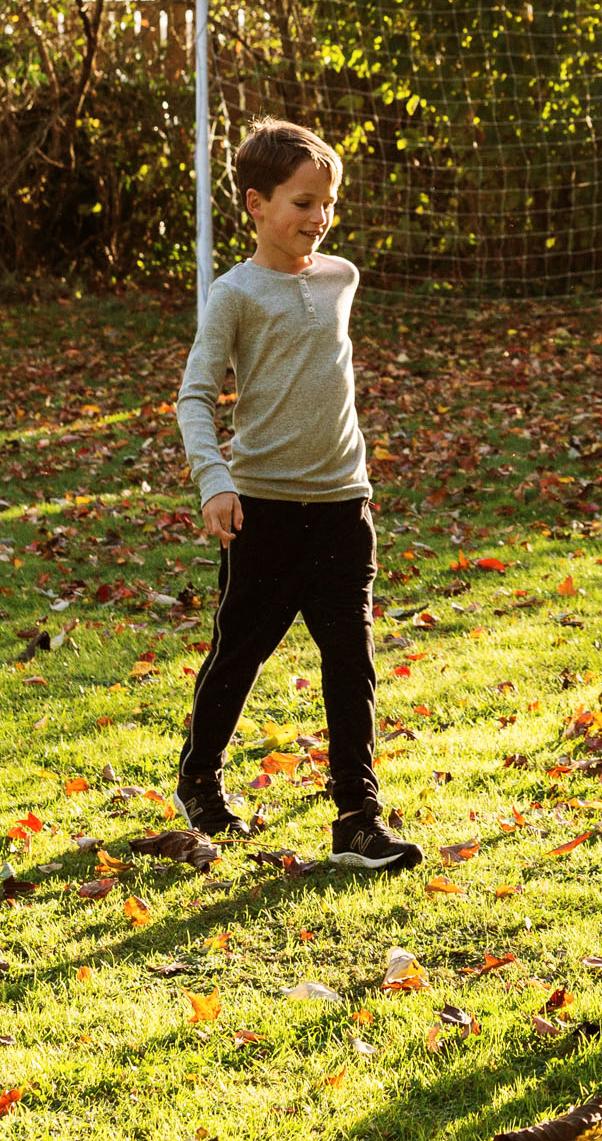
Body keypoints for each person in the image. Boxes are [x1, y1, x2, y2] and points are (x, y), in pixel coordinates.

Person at [173, 116, 422, 874]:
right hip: (266, 514)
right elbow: (194, 396)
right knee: (239, 652)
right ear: (256, 204)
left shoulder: (341, 278)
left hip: (346, 507)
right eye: (303, 203)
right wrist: (214, 481)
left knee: (351, 661)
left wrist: (356, 488)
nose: (319, 218)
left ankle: (357, 819)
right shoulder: (234, 293)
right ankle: (200, 781)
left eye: (328, 203)